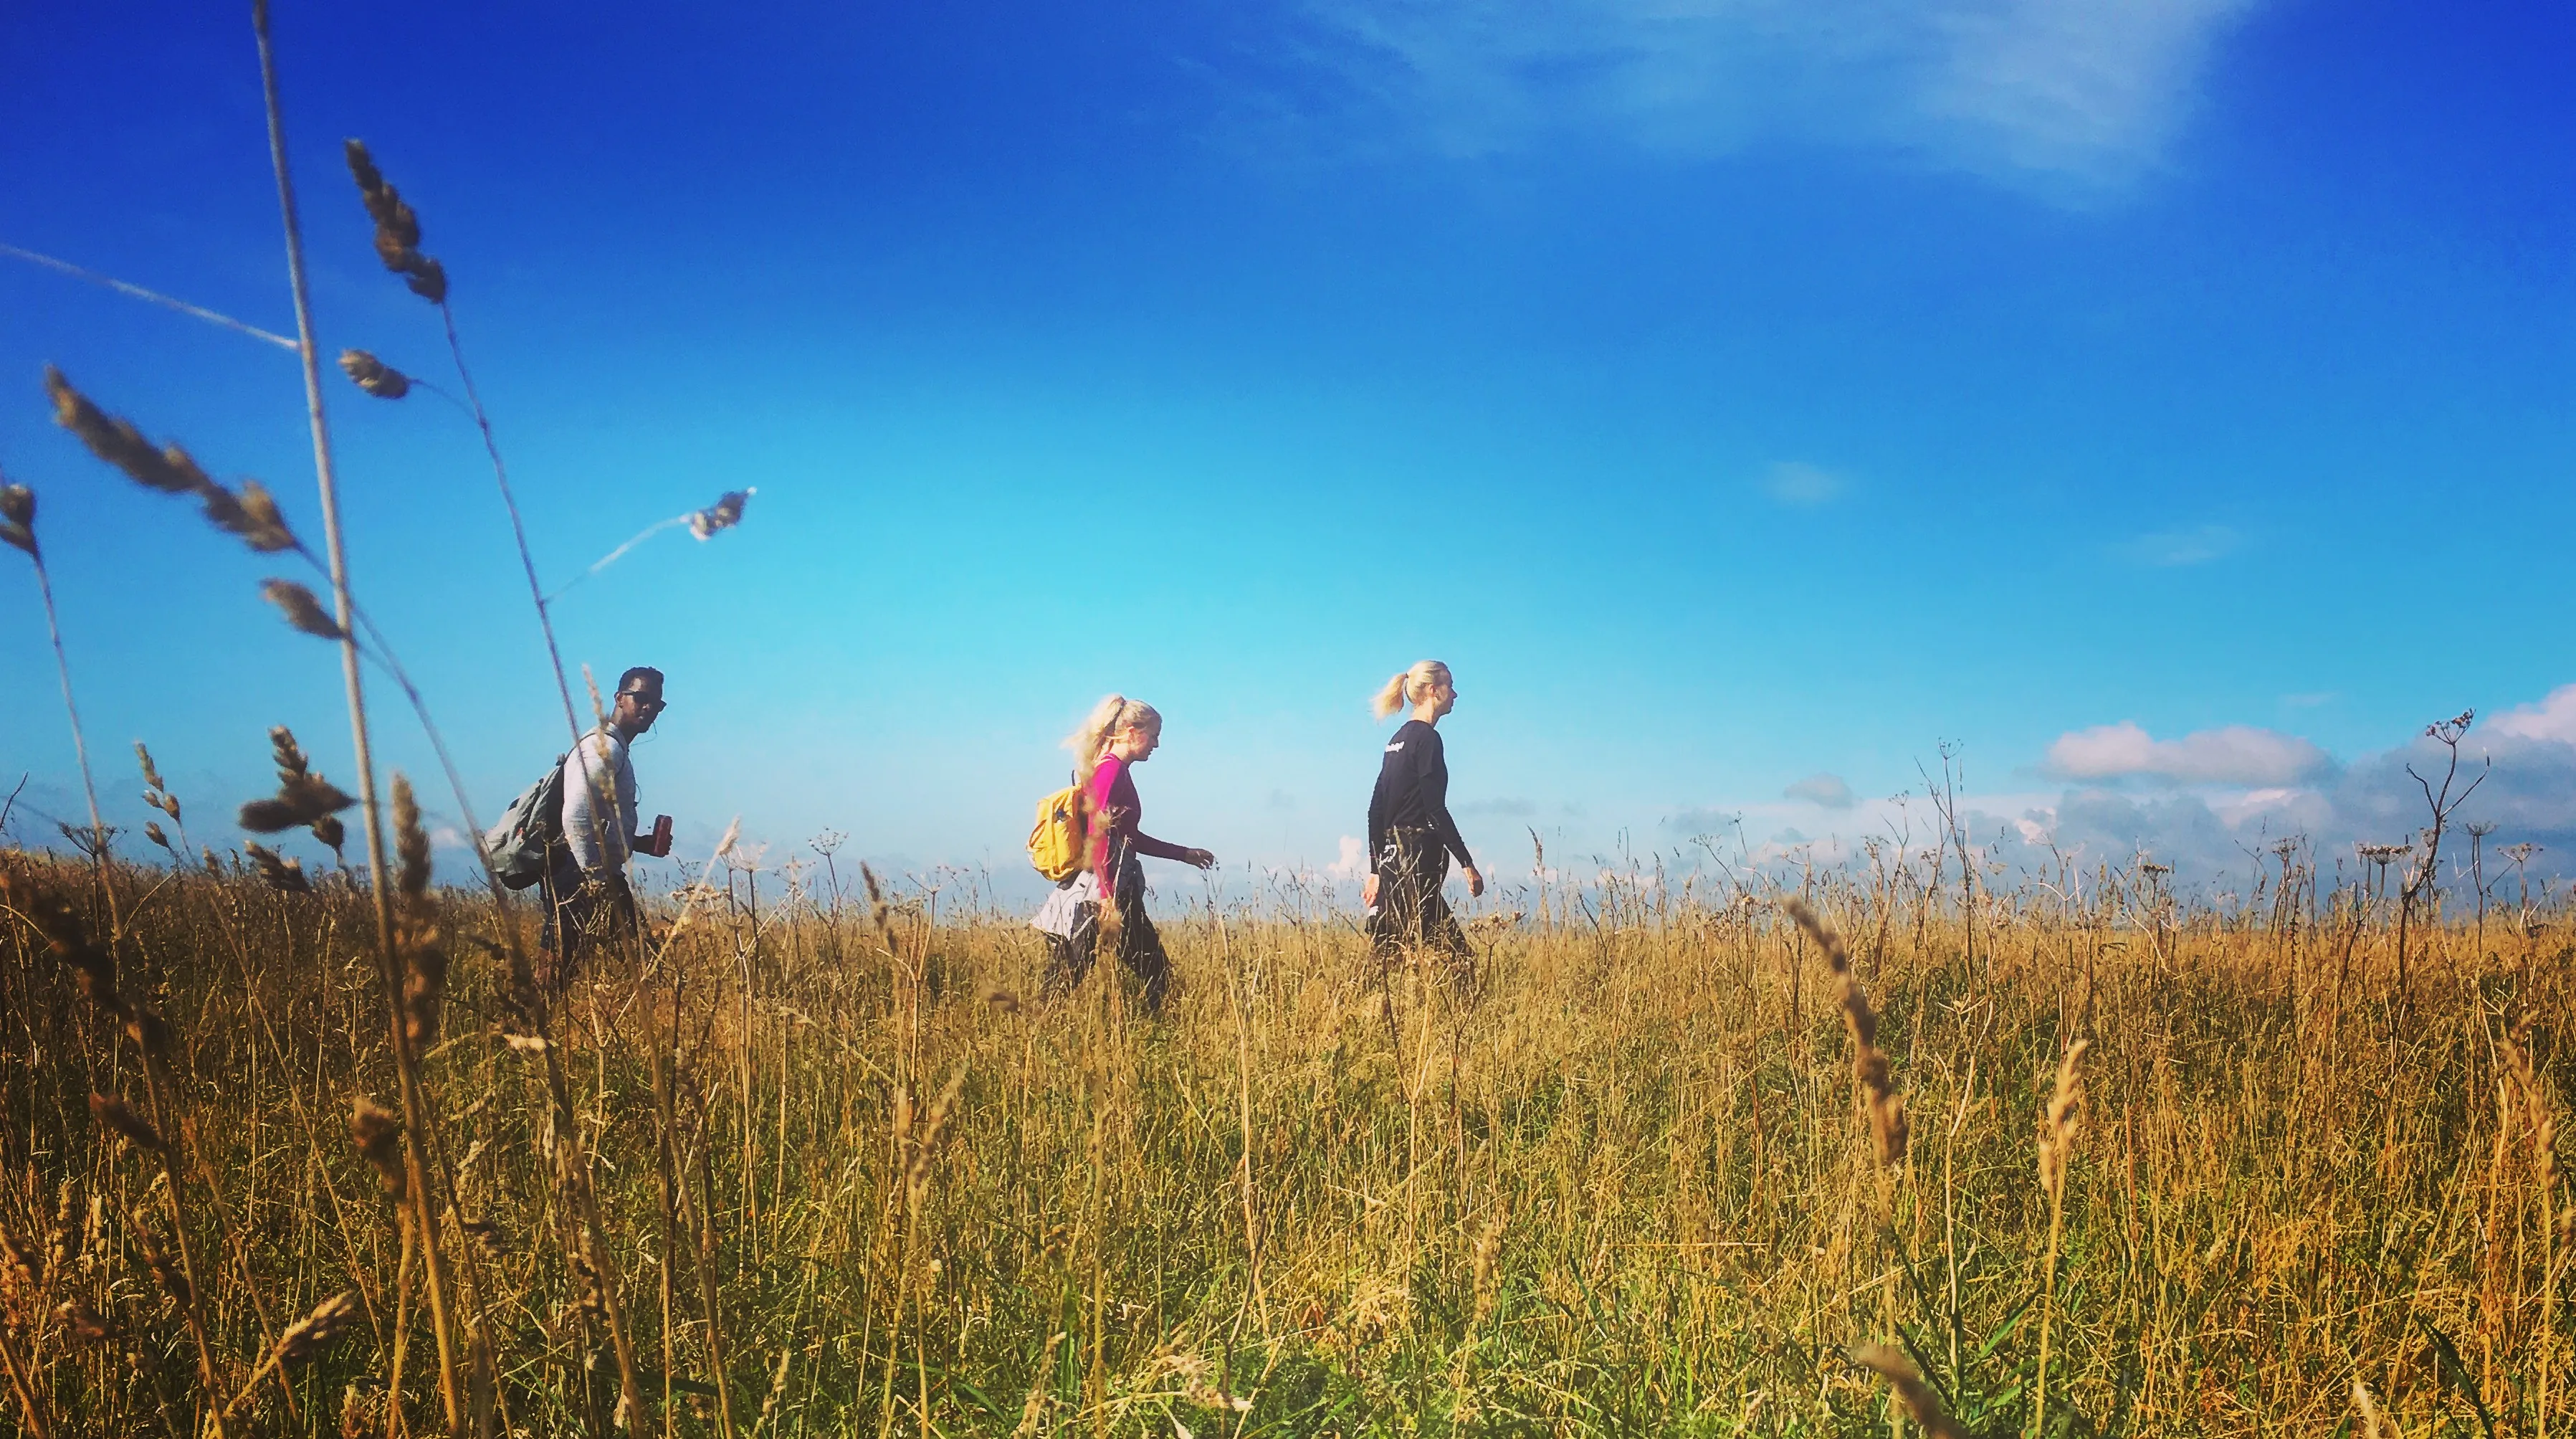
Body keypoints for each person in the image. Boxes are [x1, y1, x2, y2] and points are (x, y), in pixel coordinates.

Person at [1039, 695, 1216, 1013]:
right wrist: (1108, 897)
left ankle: (1038, 1024)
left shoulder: (1112, 769)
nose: (1157, 744)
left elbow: (1128, 837)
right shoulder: (1111, 770)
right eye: (1154, 735)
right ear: (1133, 732)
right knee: (1074, 978)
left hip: (1109, 889)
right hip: (1100, 894)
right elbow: (1099, 831)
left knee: (1077, 977)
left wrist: (1183, 854)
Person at [541, 666, 668, 987]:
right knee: (644, 966)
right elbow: (576, 816)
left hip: (583, 870)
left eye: (657, 703)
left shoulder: (613, 747)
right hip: (580, 873)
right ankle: (528, 1017)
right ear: (619, 698)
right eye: (640, 698)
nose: (649, 707)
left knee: (561, 970)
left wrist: (638, 843)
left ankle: (533, 1015)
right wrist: (596, 881)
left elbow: (596, 821)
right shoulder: (604, 748)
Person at [1364, 660, 1482, 972]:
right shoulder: (1428, 739)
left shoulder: (1395, 741)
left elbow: (1376, 810)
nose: (1455, 694)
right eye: (1450, 686)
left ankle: (1366, 1000)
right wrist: (1467, 863)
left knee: (1388, 956)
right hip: (1417, 861)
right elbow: (1435, 809)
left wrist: (1376, 870)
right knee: (1459, 962)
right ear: (1433, 690)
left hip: (1392, 863)